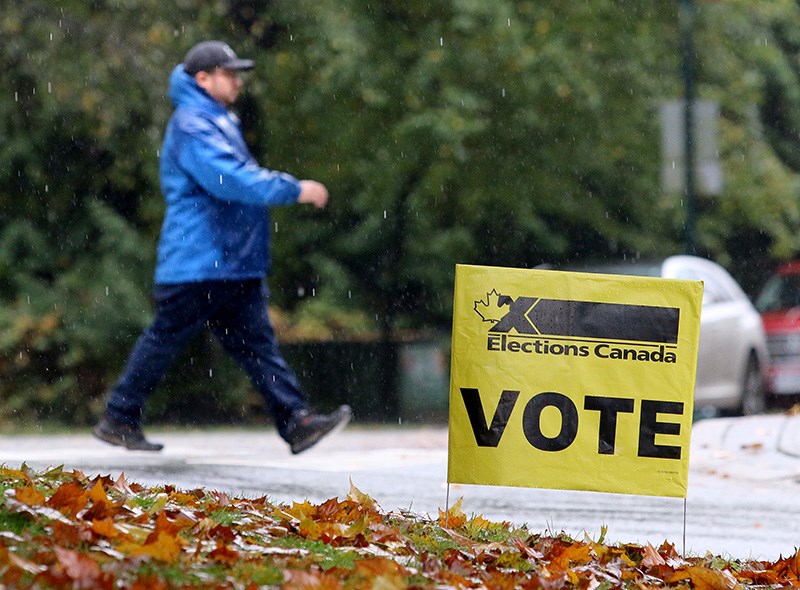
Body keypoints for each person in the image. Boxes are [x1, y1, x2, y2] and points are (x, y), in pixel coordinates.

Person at [93, 40, 351, 453]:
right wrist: (293, 189)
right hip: (200, 260)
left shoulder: (216, 119)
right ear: (203, 78)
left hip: (230, 261)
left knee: (255, 346)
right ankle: (119, 416)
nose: (236, 81)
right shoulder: (194, 124)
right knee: (166, 339)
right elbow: (229, 179)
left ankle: (297, 422)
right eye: (228, 73)